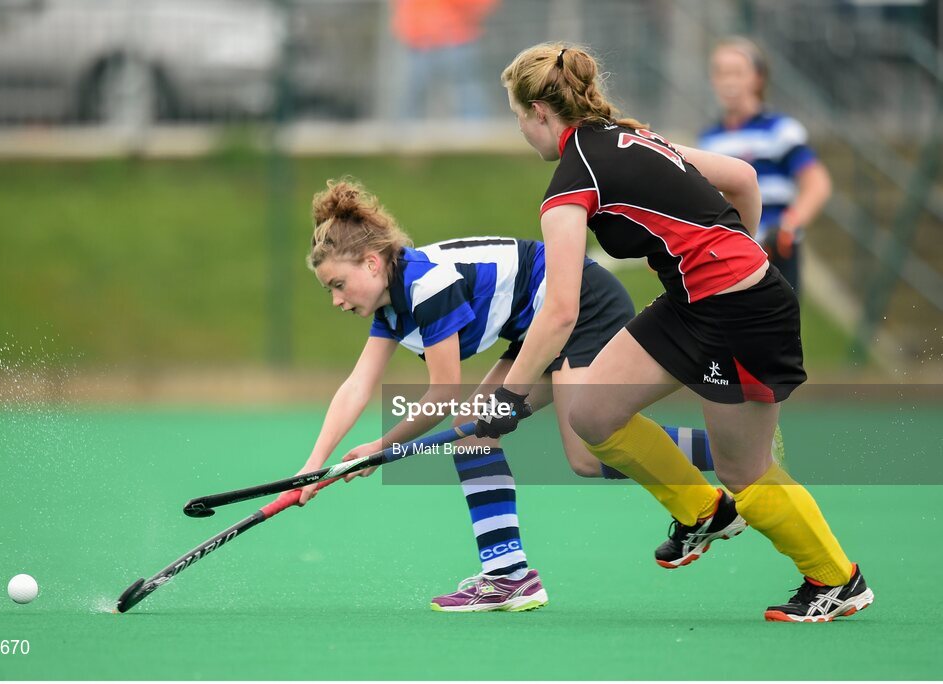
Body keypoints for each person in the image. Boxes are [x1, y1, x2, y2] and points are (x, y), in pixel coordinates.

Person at [485, 42, 873, 622]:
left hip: (740, 313)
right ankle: (703, 511)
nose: (521, 130)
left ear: (541, 112)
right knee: (590, 414)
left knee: (747, 470)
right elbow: (741, 179)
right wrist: (735, 247)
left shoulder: (568, 184)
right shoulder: (635, 137)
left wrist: (508, 395)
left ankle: (837, 580)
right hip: (693, 301)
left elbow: (561, 310)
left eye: (518, 117)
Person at [295, 177, 736, 612]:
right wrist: (313, 466)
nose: (336, 300)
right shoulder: (392, 303)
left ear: (372, 264)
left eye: (337, 284)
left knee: (585, 453)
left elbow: (446, 391)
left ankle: (737, 451)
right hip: (535, 330)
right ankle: (508, 576)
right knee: (474, 434)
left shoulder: (424, 287)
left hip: (580, 305)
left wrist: (381, 446)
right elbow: (356, 384)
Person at [699, 36, 832, 294]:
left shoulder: (781, 130)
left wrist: (789, 225)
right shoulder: (708, 139)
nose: (728, 81)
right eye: (721, 73)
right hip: (729, 260)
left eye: (737, 72)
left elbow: (817, 183)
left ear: (758, 78)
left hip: (775, 255)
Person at [391, 0, 499, 120]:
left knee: (466, 91)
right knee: (413, 96)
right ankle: (405, 131)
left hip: (455, 38)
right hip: (422, 41)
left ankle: (475, 129)